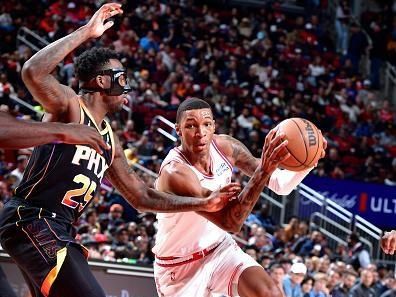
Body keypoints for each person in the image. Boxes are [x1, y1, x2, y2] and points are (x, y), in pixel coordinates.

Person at [0, 4, 239, 297]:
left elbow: (142, 197)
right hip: (32, 218)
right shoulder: (70, 105)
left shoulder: (111, 141)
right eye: (121, 78)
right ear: (102, 81)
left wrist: (201, 204)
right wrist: (86, 32)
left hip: (58, 228)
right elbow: (33, 72)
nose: (126, 86)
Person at [153, 98, 326, 297]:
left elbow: (280, 184)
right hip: (180, 267)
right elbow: (230, 221)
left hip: (220, 250)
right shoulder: (175, 172)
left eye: (206, 124)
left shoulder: (225, 147)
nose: (200, 133)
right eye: (191, 126)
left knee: (270, 293)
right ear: (178, 130)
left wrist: (310, 161)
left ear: (214, 126)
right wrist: (263, 171)